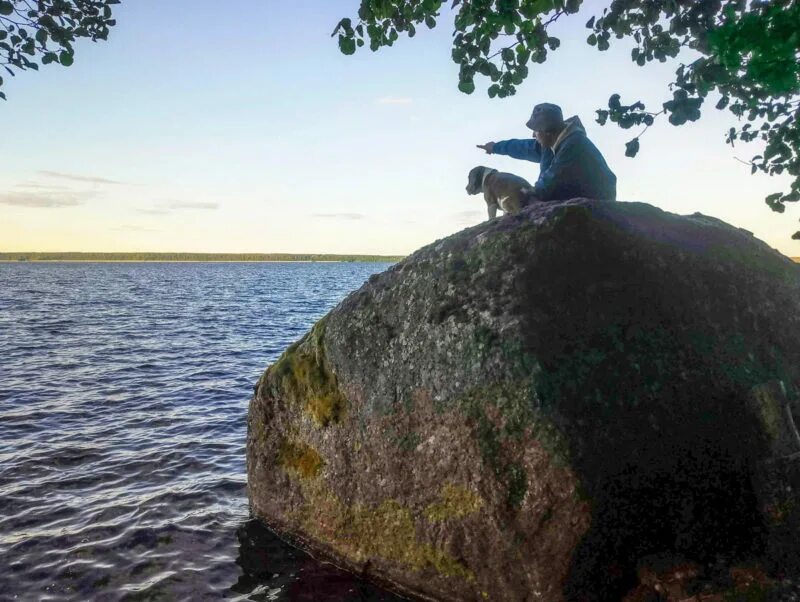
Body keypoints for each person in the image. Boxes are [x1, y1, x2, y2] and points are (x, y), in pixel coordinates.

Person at [477, 103, 617, 203]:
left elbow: (549, 183)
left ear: (547, 132)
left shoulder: (573, 145)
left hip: (597, 201)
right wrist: (495, 147)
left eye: (536, 130)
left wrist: (527, 193)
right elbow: (523, 147)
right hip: (573, 196)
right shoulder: (552, 143)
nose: (533, 135)